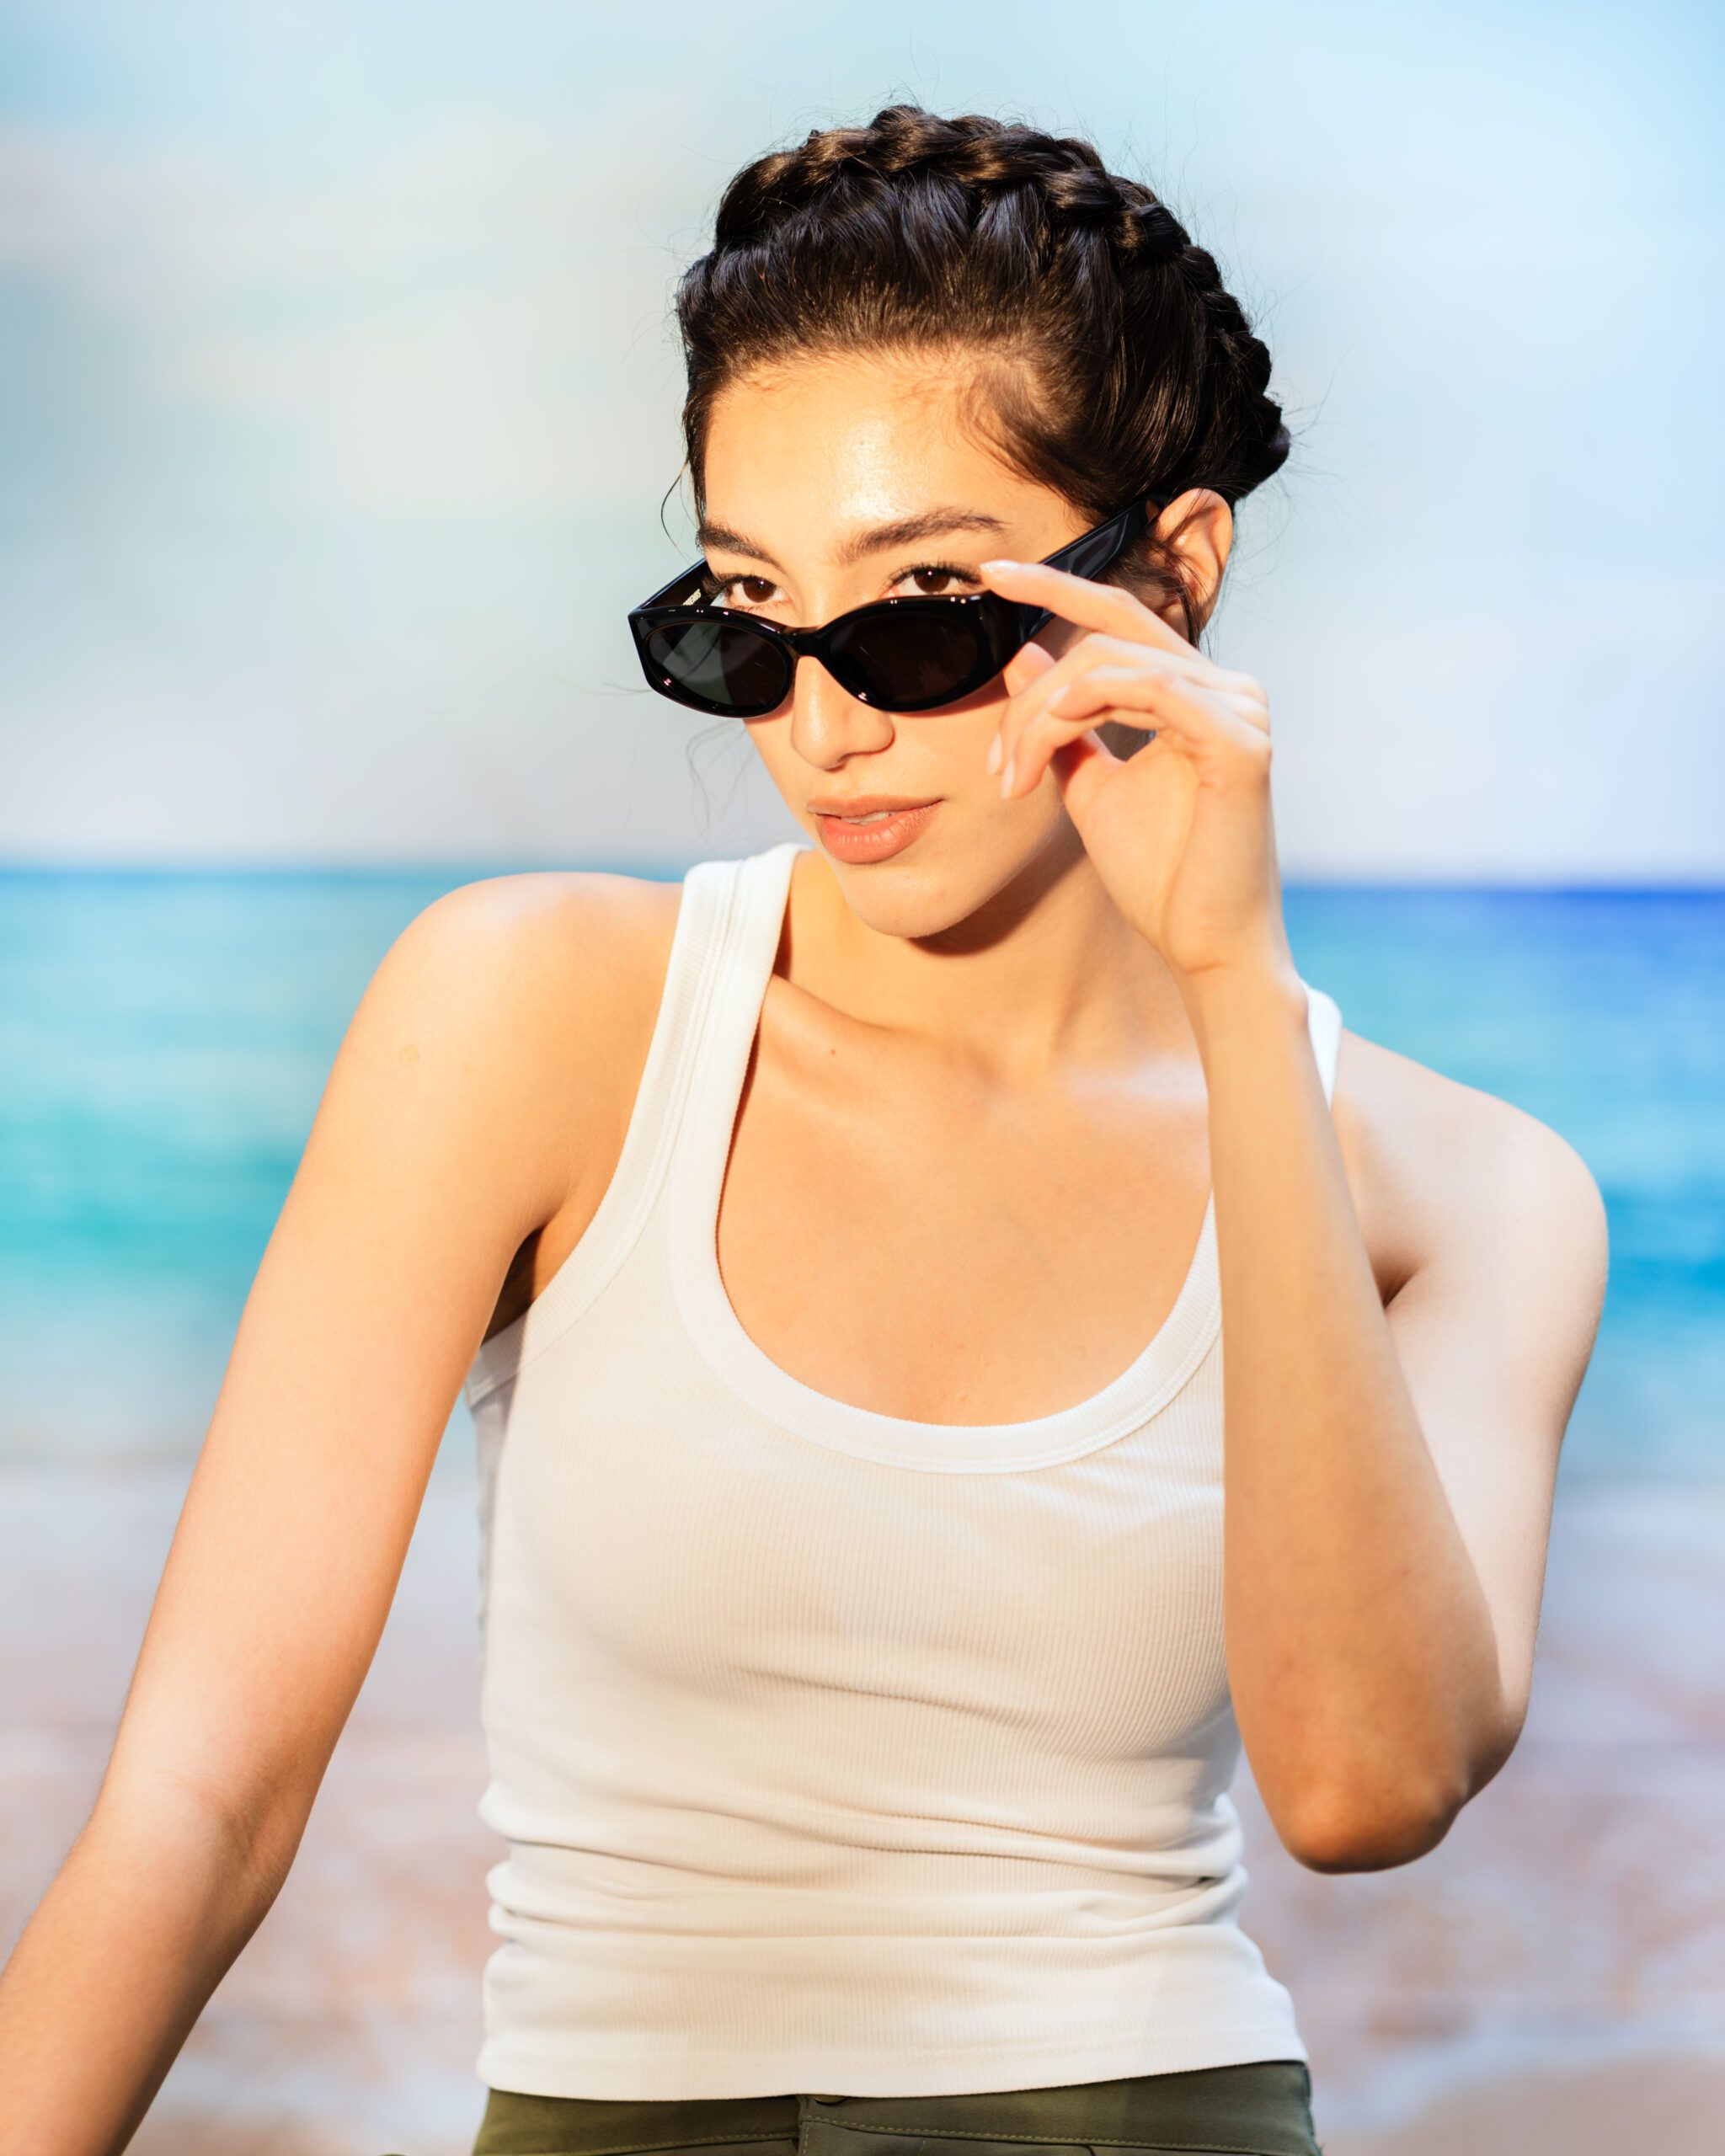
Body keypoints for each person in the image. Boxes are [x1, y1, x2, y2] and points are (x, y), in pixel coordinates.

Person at [0, 104, 1609, 2156]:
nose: (823, 720)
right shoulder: (529, 1014)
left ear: (1173, 576)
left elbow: (1364, 1785)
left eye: (924, 607)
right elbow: (198, 1800)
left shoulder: (1465, 1192)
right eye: (744, 618)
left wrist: (1229, 993)